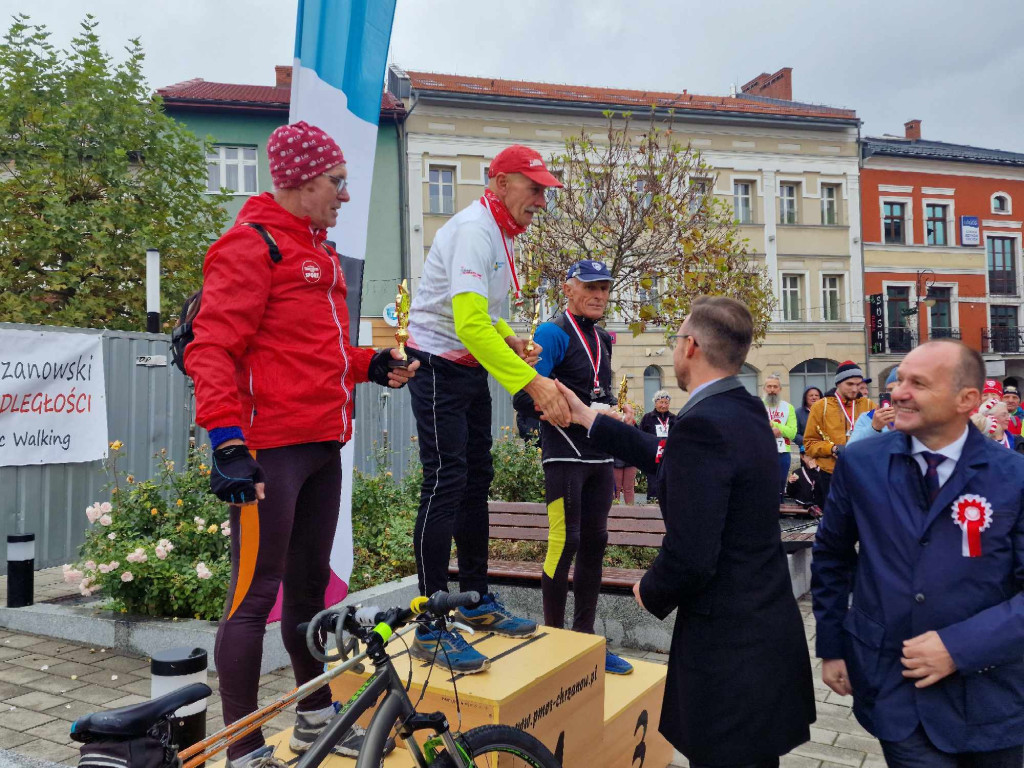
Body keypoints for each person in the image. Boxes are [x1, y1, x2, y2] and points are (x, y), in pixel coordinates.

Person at [185, 122, 418, 767]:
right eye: (337, 183)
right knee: (253, 597)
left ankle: (314, 716)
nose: (346, 195)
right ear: (299, 181)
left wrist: (369, 364)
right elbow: (212, 349)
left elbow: (314, 353)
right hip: (268, 452)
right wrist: (228, 442)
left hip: (321, 446)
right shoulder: (250, 244)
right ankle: (243, 748)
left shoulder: (316, 250)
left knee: (311, 591)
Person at [551, 296, 815, 767]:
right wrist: (586, 415)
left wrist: (648, 590)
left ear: (690, 346)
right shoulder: (745, 410)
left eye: (676, 339)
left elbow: (693, 553)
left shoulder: (704, 426)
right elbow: (663, 454)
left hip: (728, 651)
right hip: (765, 635)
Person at [812, 339, 1024, 768]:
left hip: (993, 699)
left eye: (918, 383)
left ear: (968, 399)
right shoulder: (861, 462)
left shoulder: (1013, 476)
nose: (898, 391)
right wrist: (832, 646)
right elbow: (832, 555)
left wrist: (959, 647)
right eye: (899, 379)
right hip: (896, 694)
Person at [404, 144, 569, 674]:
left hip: (466, 367)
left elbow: (481, 319)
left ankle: (474, 602)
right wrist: (533, 384)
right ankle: (430, 623)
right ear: (498, 183)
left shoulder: (497, 231)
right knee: (446, 481)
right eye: (534, 188)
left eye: (545, 191)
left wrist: (511, 337)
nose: (541, 201)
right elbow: (467, 324)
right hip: (436, 367)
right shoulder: (475, 231)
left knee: (476, 481)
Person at [512, 259, 633, 675]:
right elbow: (527, 397)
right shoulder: (551, 332)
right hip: (563, 453)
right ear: (567, 288)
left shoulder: (605, 338)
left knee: (596, 543)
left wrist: (617, 411)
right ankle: (554, 644)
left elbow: (599, 391)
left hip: (599, 454)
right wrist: (572, 411)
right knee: (566, 542)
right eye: (590, 287)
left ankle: (584, 644)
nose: (599, 295)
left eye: (604, 288)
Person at [803, 361, 875, 510]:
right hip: (830, 474)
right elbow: (809, 444)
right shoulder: (820, 407)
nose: (855, 389)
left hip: (861, 473)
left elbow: (879, 439)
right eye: (850, 384)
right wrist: (832, 449)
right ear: (838, 383)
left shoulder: (869, 406)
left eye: (858, 384)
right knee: (834, 524)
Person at [763, 373, 797, 502]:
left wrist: (777, 427)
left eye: (775, 387)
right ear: (764, 388)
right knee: (764, 484)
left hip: (782, 453)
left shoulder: (788, 408)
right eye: (769, 386)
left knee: (780, 485)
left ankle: (779, 514)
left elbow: (793, 433)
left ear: (780, 389)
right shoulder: (757, 405)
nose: (772, 390)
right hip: (762, 452)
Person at [639, 391, 676, 502]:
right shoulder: (648, 418)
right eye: (661, 402)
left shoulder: (674, 418)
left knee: (668, 478)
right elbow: (641, 434)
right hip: (653, 453)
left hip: (669, 454)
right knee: (653, 479)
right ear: (655, 403)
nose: (664, 405)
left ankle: (668, 501)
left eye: (666, 403)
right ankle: (652, 500)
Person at [848, 368, 899, 443]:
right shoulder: (868, 417)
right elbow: (850, 449)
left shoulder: (917, 418)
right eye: (889, 390)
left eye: (897, 389)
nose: (893, 394)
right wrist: (874, 428)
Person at [793, 386, 823, 454]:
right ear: (805, 398)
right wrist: (808, 441)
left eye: (816, 395)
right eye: (811, 395)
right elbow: (795, 434)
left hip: (824, 448)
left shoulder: (826, 411)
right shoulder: (798, 413)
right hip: (806, 449)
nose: (814, 397)